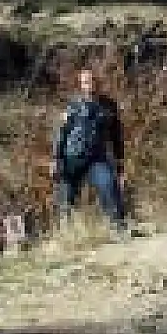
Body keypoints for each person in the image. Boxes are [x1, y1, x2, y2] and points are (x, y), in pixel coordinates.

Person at [51, 68, 127, 234]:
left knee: (109, 185)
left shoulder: (109, 106)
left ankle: (120, 229)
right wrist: (56, 160)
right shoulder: (73, 106)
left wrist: (120, 164)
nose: (90, 84)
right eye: (85, 81)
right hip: (72, 157)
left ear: (97, 82)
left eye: (92, 80)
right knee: (66, 200)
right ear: (81, 85)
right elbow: (61, 134)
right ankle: (63, 236)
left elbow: (116, 136)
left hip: (97, 159)